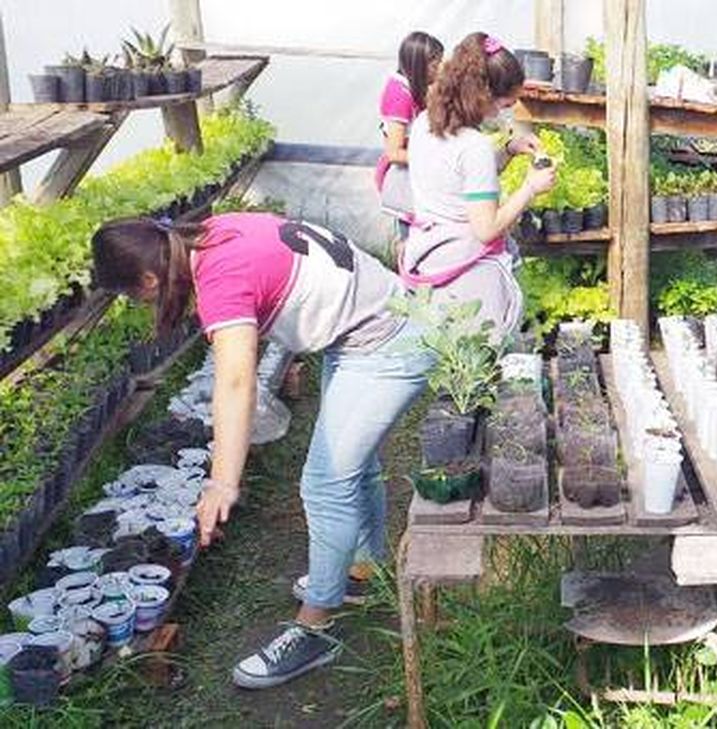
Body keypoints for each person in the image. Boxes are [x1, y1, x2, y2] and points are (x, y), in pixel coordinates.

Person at [90, 212, 433, 689]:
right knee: (356, 465)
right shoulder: (215, 232)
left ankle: (316, 630)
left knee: (326, 482)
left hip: (385, 342)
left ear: (148, 278)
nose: (142, 303)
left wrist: (222, 482)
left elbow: (236, 382)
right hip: (382, 317)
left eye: (135, 296)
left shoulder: (220, 279)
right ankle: (363, 572)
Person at [403, 32, 555, 345]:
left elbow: (456, 180)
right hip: (467, 278)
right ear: (483, 94)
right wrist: (530, 187)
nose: (503, 113)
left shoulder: (425, 124)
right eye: (504, 103)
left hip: (430, 259)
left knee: (447, 367)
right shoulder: (474, 147)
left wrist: (509, 150)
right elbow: (486, 229)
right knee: (480, 368)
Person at [376, 31, 444, 244]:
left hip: (414, 179)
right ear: (419, 65)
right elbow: (394, 153)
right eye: (435, 64)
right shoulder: (399, 94)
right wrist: (436, 158)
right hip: (403, 183)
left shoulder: (413, 88)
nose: (439, 69)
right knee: (412, 246)